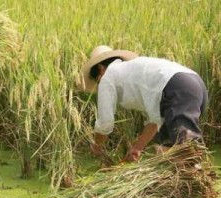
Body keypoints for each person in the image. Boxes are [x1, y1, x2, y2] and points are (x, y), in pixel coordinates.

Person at [80, 45, 208, 162]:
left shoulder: (107, 77)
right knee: (163, 150)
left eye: (96, 80)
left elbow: (105, 123)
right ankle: (175, 185)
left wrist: (97, 147)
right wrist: (137, 148)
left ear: (100, 69)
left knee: (186, 150)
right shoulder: (130, 70)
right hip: (194, 83)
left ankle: (199, 184)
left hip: (176, 88)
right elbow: (154, 119)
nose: (98, 84)